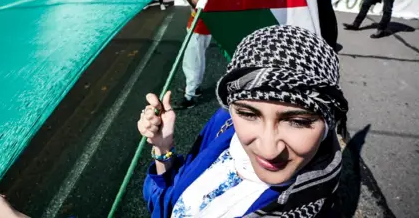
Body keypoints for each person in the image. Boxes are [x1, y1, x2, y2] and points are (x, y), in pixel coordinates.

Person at [139, 25, 348, 217]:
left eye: (298, 121)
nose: (268, 150)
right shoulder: (225, 123)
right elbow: (167, 200)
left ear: (327, 123)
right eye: (249, 114)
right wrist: (162, 147)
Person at [174, 0, 226, 108]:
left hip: (200, 24)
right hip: (200, 24)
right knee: (198, 59)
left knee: (192, 61)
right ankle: (194, 88)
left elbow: (199, 4)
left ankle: (190, 97)